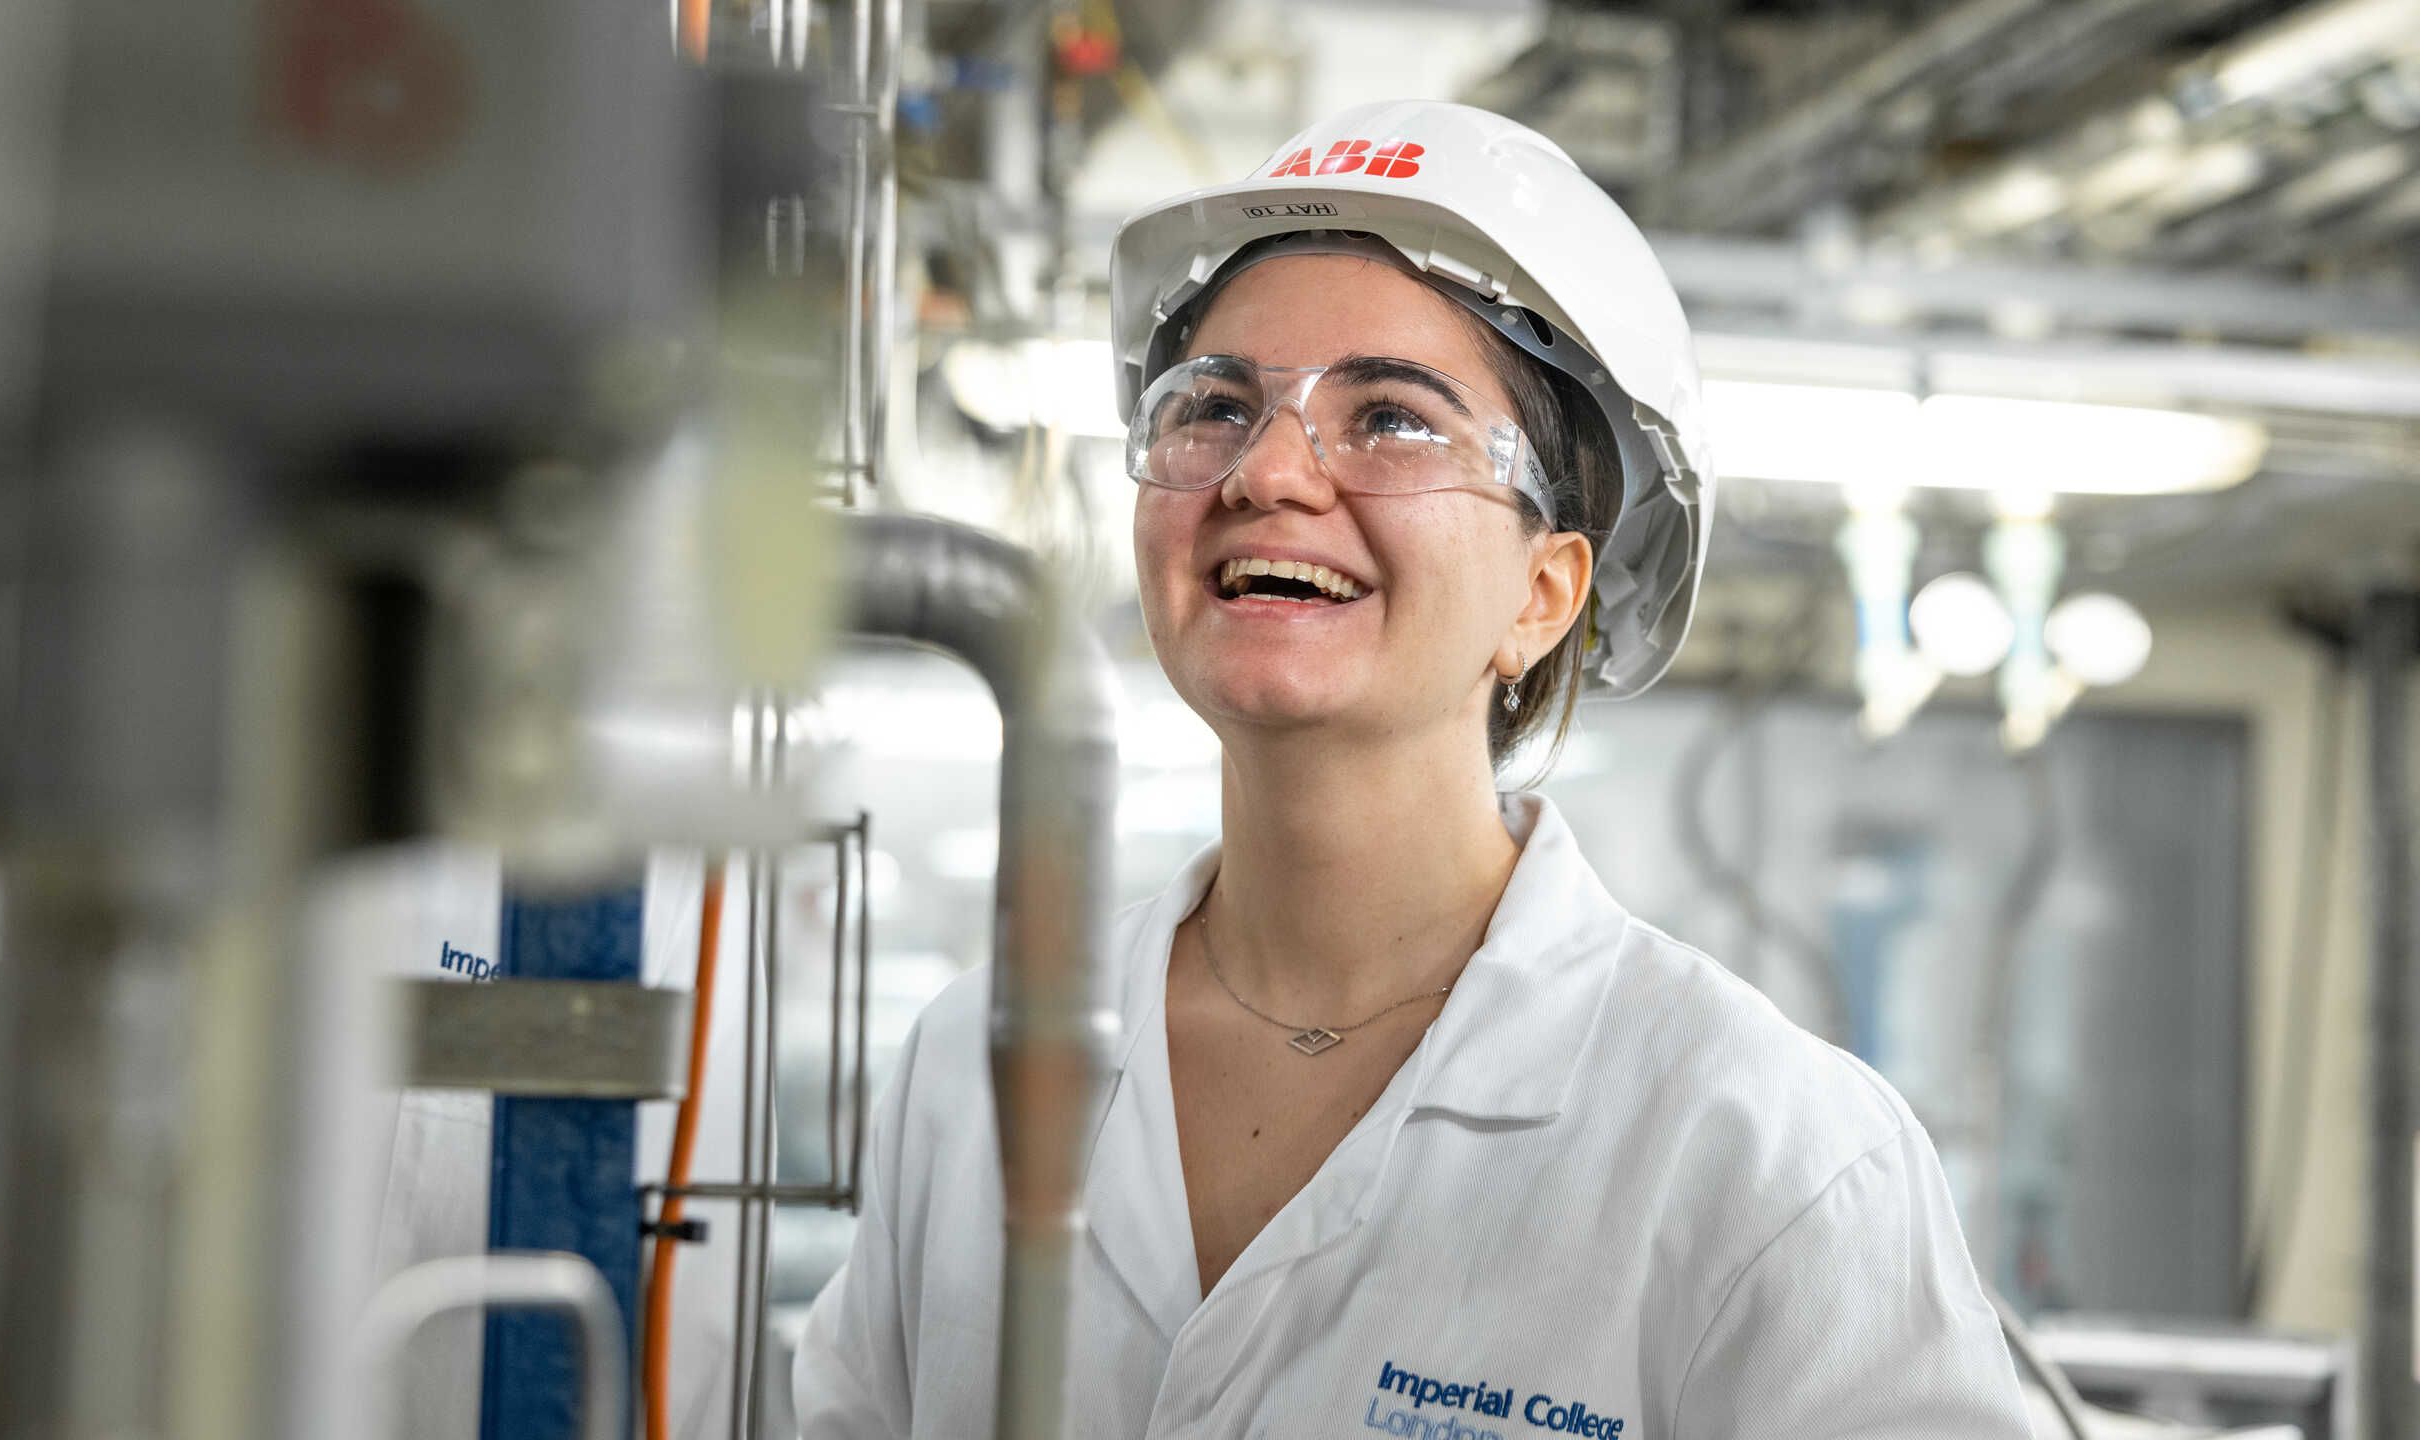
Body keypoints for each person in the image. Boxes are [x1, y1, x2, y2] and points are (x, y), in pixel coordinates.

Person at [794, 99, 2031, 1438]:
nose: (1269, 469)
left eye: (1390, 418)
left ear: (1546, 593)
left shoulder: (1765, 1158)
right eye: (1213, 406)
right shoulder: (967, 1071)